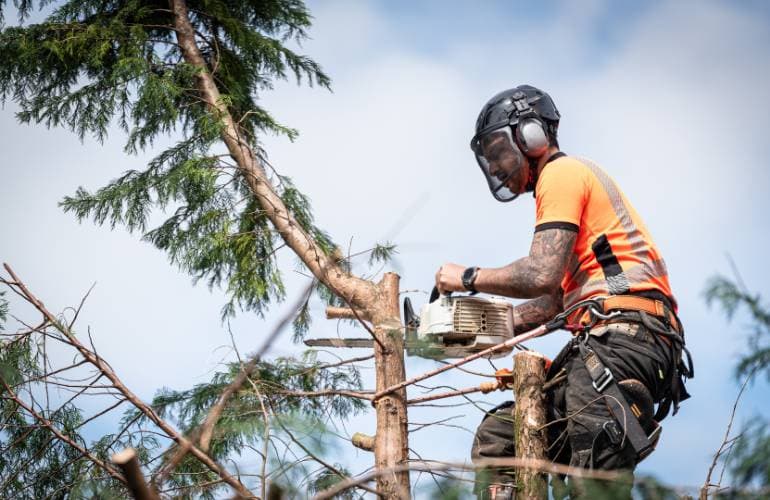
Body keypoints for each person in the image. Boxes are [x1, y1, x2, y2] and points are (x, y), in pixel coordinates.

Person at [434, 85, 693, 499]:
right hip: (605, 338)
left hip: (629, 337)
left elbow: (539, 273)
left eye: (499, 149)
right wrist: (468, 330)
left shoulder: (562, 173)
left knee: (594, 454)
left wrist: (465, 277)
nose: (496, 164)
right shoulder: (561, 202)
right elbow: (555, 301)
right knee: (501, 439)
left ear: (532, 134)